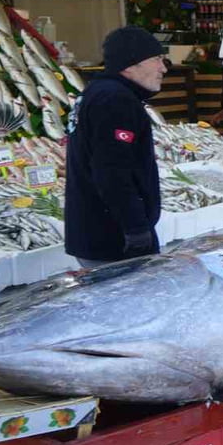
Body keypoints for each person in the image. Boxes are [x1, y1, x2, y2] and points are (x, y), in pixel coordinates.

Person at [65, 26, 167, 269]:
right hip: (113, 240)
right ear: (130, 64)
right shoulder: (115, 100)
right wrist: (136, 229)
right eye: (156, 59)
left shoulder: (99, 92)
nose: (163, 68)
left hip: (98, 233)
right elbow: (111, 170)